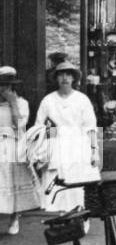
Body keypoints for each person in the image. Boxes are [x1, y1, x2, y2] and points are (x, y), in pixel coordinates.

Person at [34, 61, 100, 213]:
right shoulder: (48, 100)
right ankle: (61, 217)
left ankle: (80, 215)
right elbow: (39, 126)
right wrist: (48, 138)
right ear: (56, 78)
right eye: (61, 75)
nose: (65, 78)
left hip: (78, 145)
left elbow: (90, 127)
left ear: (73, 78)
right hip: (56, 146)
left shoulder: (82, 99)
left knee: (77, 182)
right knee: (57, 182)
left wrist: (94, 150)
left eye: (68, 75)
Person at [0, 67, 39, 234]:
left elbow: (19, 126)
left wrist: (13, 103)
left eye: (7, 85)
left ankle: (15, 218)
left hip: (13, 146)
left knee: (14, 181)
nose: (4, 89)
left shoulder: (22, 103)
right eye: (2, 85)